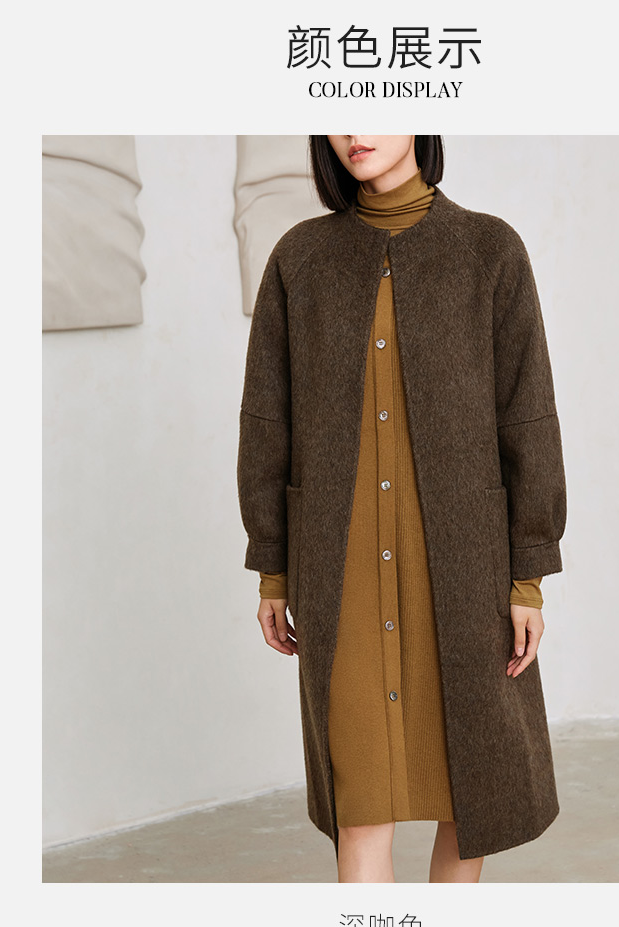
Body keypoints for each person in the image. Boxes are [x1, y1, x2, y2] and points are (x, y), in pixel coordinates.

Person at [238, 135, 567, 883]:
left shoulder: (490, 252)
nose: (355, 130)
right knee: (359, 808)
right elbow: (266, 423)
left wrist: (527, 577)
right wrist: (273, 568)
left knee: (471, 799)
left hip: (463, 570)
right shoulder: (299, 260)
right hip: (340, 573)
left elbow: (528, 419)